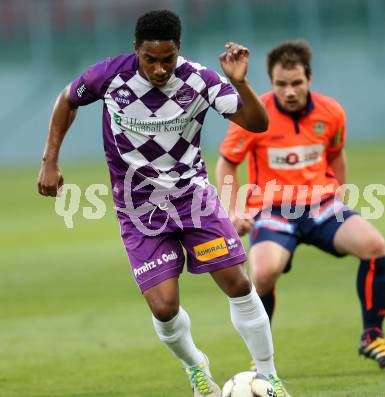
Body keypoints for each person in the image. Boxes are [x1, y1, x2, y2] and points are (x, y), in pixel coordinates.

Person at [37, 10, 292, 397]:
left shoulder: (200, 80)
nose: (159, 69)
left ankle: (270, 376)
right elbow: (67, 99)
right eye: (150, 59)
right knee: (163, 307)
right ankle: (196, 367)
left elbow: (257, 123)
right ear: (136, 50)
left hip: (192, 199)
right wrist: (50, 160)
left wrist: (241, 84)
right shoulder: (109, 76)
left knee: (238, 284)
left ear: (179, 51)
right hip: (138, 209)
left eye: (167, 59)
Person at [216, 40, 385, 371]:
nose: (289, 91)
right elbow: (227, 163)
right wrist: (233, 210)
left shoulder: (331, 112)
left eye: (296, 83)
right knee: (263, 273)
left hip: (322, 206)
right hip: (273, 210)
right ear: (271, 83)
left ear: (309, 79)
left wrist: (339, 198)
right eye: (281, 84)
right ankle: (262, 358)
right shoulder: (256, 114)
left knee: (375, 245)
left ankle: (373, 336)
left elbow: (335, 154)